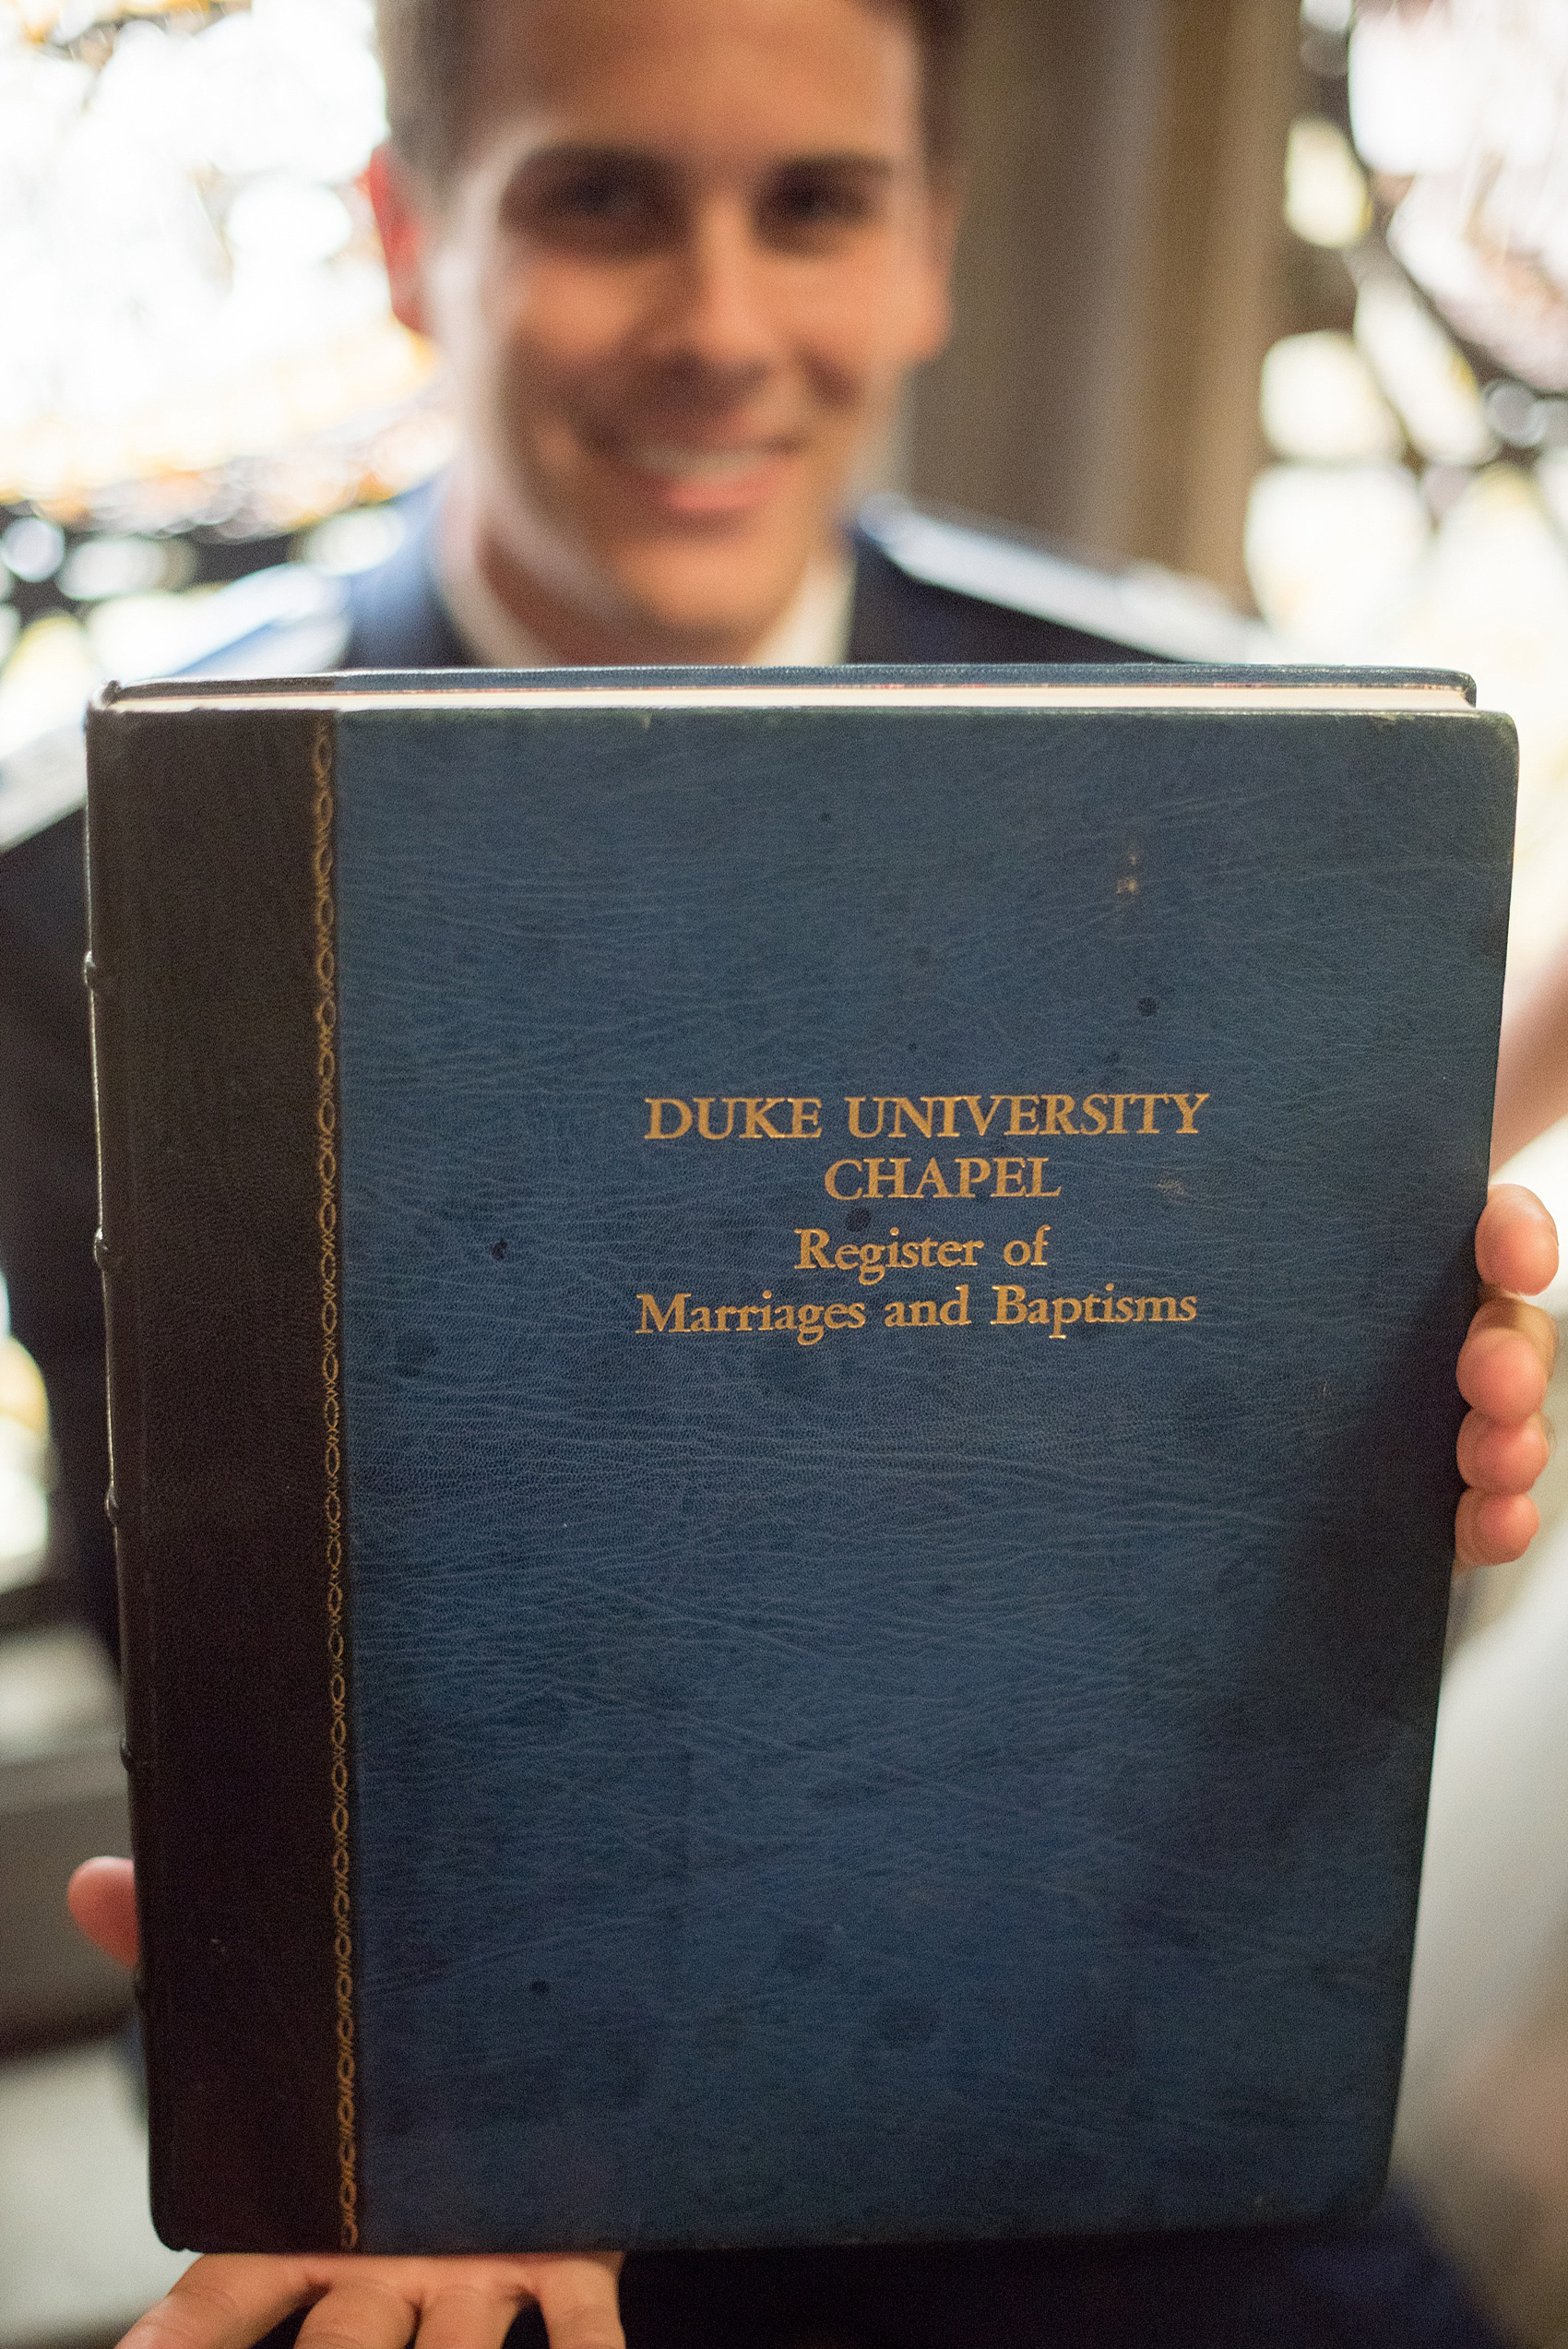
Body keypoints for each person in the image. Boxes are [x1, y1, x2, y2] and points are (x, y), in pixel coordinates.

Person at [11, 0, 1561, 2341]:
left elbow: (1261, 1670)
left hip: (1124, 2106)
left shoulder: (1229, 784)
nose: (721, 325)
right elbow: (221, 1621)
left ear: (933, 247)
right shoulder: (112, 876)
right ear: (411, 236)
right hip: (447, 2131)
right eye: (601, 197)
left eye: (814, 204)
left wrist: (1376, 1464)